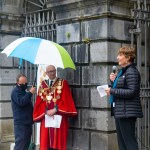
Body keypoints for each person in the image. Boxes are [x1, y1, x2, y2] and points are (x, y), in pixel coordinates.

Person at [105, 47, 143, 150]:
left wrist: (112, 91)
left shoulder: (131, 72)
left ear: (128, 58)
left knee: (129, 143)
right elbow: (121, 88)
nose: (118, 57)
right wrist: (113, 82)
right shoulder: (123, 72)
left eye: (120, 55)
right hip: (121, 111)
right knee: (122, 144)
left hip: (127, 112)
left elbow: (131, 92)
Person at [33, 65, 77, 150]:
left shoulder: (63, 83)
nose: (52, 73)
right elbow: (39, 102)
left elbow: (67, 100)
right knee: (46, 143)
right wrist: (45, 110)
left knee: (58, 143)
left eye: (54, 71)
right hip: (46, 118)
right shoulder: (42, 85)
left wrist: (56, 109)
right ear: (46, 73)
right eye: (50, 71)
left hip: (59, 117)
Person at [11, 74, 36, 150]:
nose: (25, 85)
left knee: (25, 146)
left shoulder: (23, 91)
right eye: (23, 83)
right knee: (20, 146)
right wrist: (30, 93)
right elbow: (21, 102)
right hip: (21, 125)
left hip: (27, 123)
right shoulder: (15, 91)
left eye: (26, 83)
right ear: (18, 83)